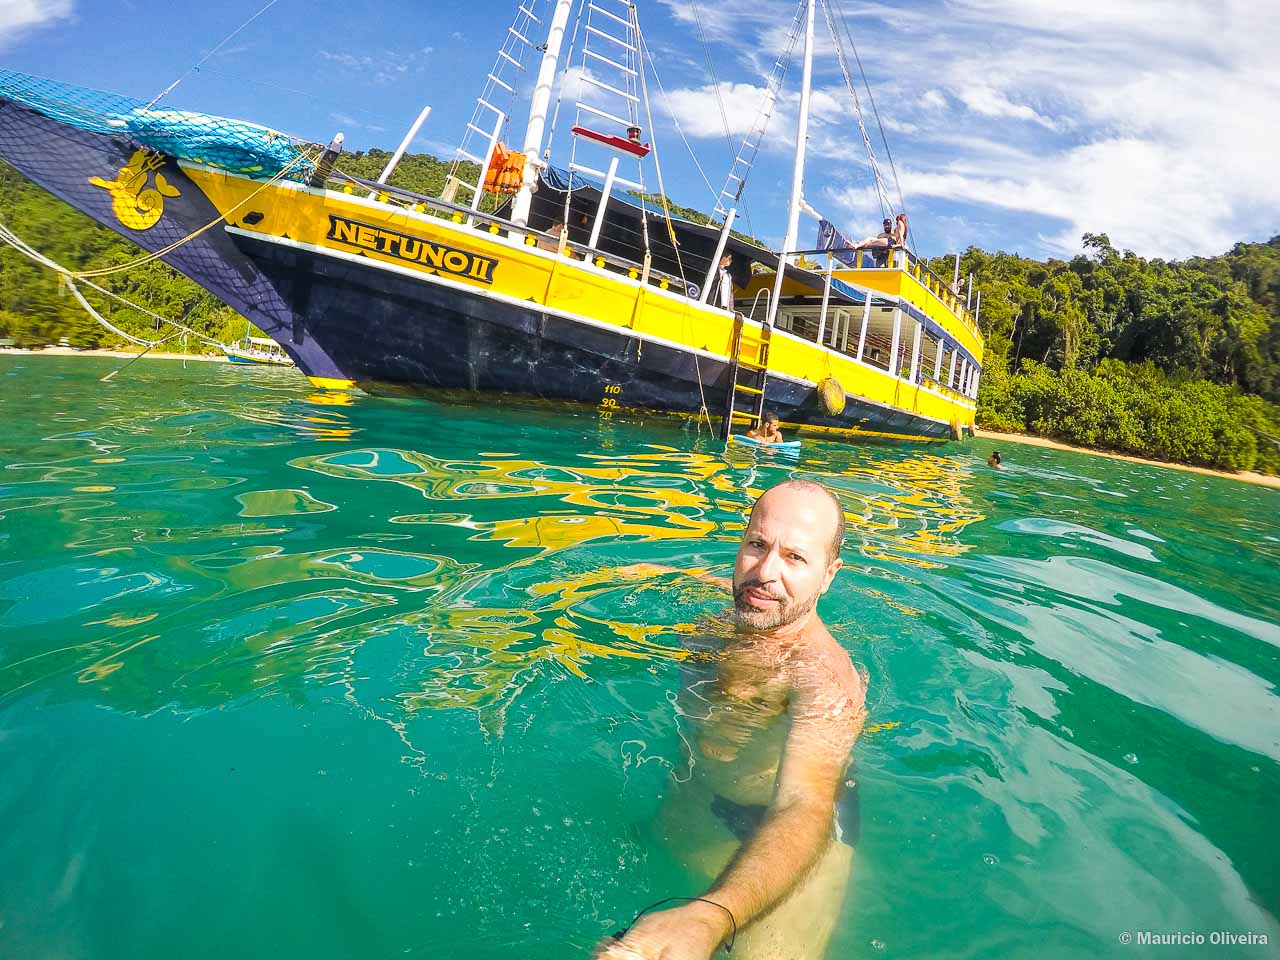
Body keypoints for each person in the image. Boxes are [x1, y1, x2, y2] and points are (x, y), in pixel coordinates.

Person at [600, 480, 867, 960]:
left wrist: (709, 914)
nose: (765, 572)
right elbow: (692, 579)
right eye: (757, 545)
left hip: (794, 830)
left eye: (795, 558)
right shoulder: (738, 606)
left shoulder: (823, 679)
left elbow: (805, 805)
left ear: (829, 574)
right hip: (699, 796)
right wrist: (627, 572)